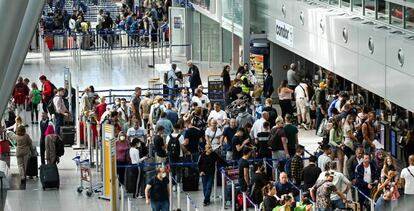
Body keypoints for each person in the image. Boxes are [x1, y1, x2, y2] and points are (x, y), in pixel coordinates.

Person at [166, 124, 184, 191]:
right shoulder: (181, 136)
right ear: (179, 128)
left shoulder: (168, 136)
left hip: (171, 156)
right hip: (179, 155)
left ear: (173, 128)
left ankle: (174, 186)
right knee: (179, 171)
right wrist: (186, 152)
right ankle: (179, 184)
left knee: (172, 171)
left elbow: (167, 146)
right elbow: (182, 146)